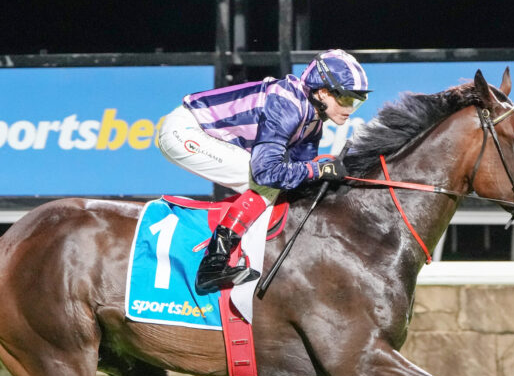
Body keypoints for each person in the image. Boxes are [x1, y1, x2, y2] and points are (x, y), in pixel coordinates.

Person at [158, 49, 370, 295]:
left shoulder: (313, 121)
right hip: (183, 132)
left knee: (280, 186)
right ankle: (213, 262)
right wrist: (318, 169)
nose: (350, 109)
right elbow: (267, 173)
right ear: (323, 92)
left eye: (357, 102)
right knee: (267, 182)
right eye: (346, 100)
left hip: (202, 133)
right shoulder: (287, 104)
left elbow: (300, 178)